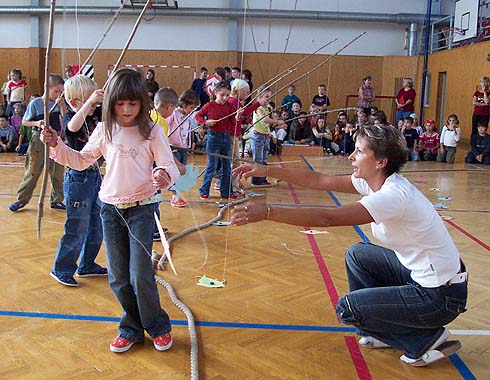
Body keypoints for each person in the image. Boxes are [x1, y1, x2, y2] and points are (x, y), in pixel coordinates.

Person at [231, 124, 467, 367]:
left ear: (380, 162)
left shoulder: (393, 196)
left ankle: (424, 339)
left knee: (348, 309)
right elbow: (321, 180)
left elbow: (327, 218)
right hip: (427, 279)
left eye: (359, 151)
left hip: (440, 297)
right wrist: (268, 170)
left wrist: (268, 211)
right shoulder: (377, 182)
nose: (352, 156)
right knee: (359, 254)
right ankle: (376, 328)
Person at [41, 68, 179, 353]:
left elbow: (170, 165)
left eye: (133, 103)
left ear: (142, 102)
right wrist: (56, 144)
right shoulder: (106, 129)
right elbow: (81, 161)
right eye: (120, 103)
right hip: (111, 210)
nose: (127, 109)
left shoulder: (151, 131)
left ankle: (158, 326)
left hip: (143, 207)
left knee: (140, 274)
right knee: (117, 275)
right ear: (111, 102)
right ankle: (130, 328)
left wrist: (164, 175)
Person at [50, 74, 107, 287]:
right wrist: (90, 103)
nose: (95, 104)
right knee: (77, 226)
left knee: (96, 224)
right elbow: (73, 127)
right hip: (77, 179)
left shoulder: (96, 115)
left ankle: (87, 264)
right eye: (89, 100)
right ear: (75, 102)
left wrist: (101, 99)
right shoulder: (69, 118)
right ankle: (61, 268)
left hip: (96, 177)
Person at [8, 73, 66, 212]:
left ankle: (56, 199)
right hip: (38, 140)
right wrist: (37, 123)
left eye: (61, 92)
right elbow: (25, 122)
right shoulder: (36, 103)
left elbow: (65, 119)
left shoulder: (58, 104)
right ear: (47, 87)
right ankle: (22, 199)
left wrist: (63, 106)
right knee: (33, 170)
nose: (58, 94)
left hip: (55, 139)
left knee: (57, 171)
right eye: (56, 91)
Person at [195, 80, 236, 199]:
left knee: (227, 167)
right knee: (211, 166)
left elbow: (233, 120)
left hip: (226, 138)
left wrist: (238, 116)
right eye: (222, 95)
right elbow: (198, 116)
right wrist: (206, 122)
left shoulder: (230, 106)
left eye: (227, 95)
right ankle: (204, 190)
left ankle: (226, 192)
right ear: (216, 93)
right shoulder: (210, 105)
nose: (225, 98)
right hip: (213, 138)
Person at [167, 89, 200, 207]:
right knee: (175, 173)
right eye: (191, 107)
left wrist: (191, 144)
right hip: (173, 148)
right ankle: (175, 197)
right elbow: (164, 126)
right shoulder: (174, 114)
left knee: (182, 172)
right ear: (184, 104)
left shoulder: (189, 117)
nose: (192, 110)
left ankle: (176, 196)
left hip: (183, 148)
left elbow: (189, 130)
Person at [251, 86, 286, 186]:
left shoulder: (268, 108)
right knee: (258, 160)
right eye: (266, 97)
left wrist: (281, 124)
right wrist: (278, 122)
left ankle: (262, 179)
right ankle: (256, 180)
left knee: (264, 159)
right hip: (258, 137)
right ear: (259, 97)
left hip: (266, 136)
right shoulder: (258, 108)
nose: (268, 100)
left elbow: (270, 122)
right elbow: (264, 120)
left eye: (269, 97)